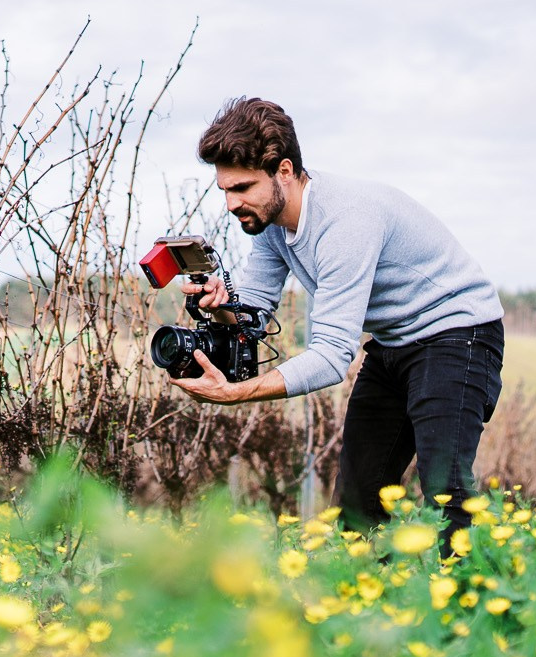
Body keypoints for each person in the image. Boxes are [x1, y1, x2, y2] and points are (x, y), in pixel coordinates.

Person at [165, 96, 504, 537]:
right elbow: (253, 315)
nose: (230, 204)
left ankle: (472, 600)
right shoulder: (271, 226)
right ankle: (369, 602)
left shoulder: (345, 221)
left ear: (283, 171)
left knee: (445, 489)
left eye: (242, 188)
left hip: (459, 332)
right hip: (393, 343)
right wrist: (222, 304)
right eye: (225, 190)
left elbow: (330, 358)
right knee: (359, 500)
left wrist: (236, 393)